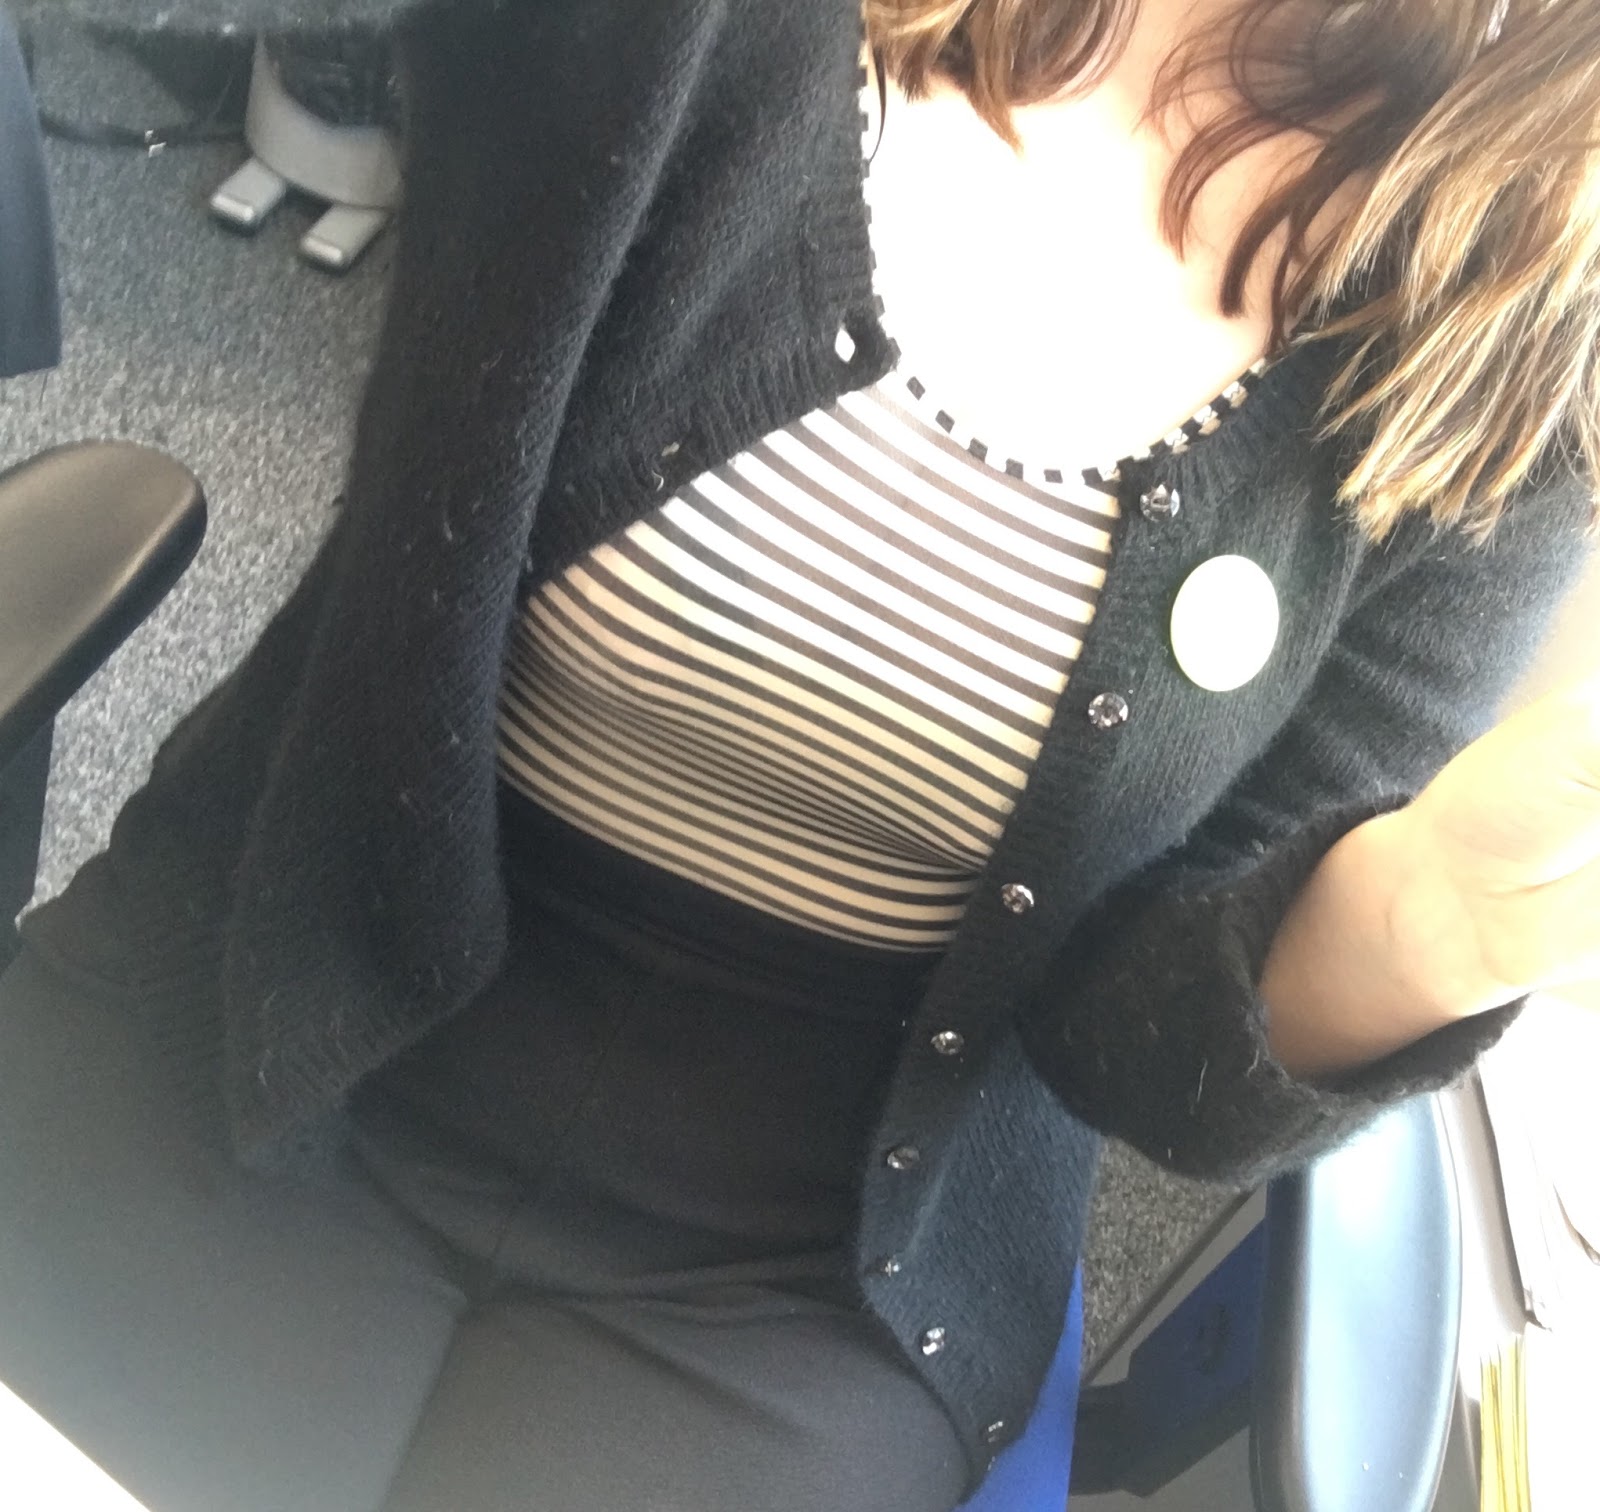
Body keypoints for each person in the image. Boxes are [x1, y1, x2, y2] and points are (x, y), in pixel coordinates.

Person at [3, 1, 1600, 1508]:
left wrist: (1431, 923)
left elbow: (1131, 1044)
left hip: (824, 1247)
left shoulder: (1493, 348)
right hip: (286, 964)